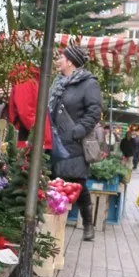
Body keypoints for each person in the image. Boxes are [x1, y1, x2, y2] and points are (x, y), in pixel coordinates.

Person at [48, 44, 102, 241]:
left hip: (74, 141)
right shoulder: (58, 81)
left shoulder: (89, 83)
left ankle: (88, 224)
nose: (57, 61)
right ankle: (54, 222)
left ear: (70, 61)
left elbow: (94, 111)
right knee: (54, 181)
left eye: (61, 57)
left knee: (77, 182)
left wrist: (78, 131)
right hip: (54, 138)